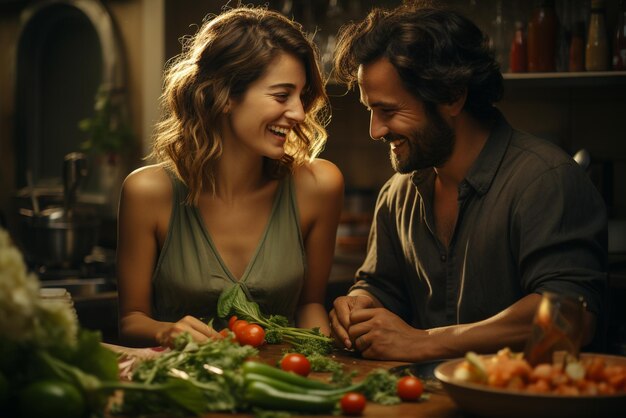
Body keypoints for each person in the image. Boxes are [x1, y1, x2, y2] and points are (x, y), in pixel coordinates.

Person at [329, 3, 607, 362]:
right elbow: (380, 286)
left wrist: (426, 341)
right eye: (371, 111)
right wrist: (358, 307)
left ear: (452, 96)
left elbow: (571, 316)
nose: (375, 130)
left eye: (389, 111)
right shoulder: (397, 194)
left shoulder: (546, 180)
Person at [117, 6, 344, 348]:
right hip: (185, 386)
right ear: (224, 96)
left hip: (280, 381)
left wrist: (323, 355)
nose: (298, 112)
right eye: (282, 95)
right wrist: (166, 331)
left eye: (301, 96)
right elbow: (131, 319)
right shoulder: (148, 192)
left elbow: (310, 304)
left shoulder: (319, 185)